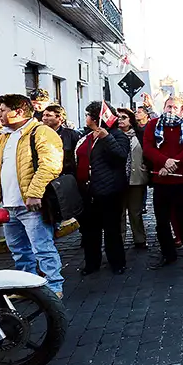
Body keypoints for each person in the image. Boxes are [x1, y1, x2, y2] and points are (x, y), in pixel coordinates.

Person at [0, 94, 65, 297]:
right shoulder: (4, 137)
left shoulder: (41, 132)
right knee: (19, 250)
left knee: (42, 247)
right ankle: (28, 288)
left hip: (31, 206)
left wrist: (34, 193)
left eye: (2, 110)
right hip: (8, 206)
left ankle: (54, 287)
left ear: (17, 112)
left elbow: (50, 165)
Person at [142, 96, 183, 270]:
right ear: (164, 107)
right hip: (162, 181)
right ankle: (168, 254)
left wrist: (173, 163)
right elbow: (148, 147)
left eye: (175, 107)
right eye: (169, 107)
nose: (171, 110)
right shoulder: (153, 124)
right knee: (162, 221)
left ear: (182, 110)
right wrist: (164, 161)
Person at [75, 101, 131, 276]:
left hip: (109, 190)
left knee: (111, 229)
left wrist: (107, 138)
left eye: (88, 115)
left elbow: (121, 157)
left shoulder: (117, 135)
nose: (86, 118)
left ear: (96, 117)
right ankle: (92, 263)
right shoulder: (86, 136)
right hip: (88, 190)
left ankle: (117, 262)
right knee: (90, 231)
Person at [115, 107, 149, 250]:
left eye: (123, 117)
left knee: (136, 211)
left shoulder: (139, 134)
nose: (120, 120)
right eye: (118, 117)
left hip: (136, 178)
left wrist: (145, 166)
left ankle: (140, 239)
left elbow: (147, 151)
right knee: (119, 212)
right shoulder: (113, 135)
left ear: (131, 120)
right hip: (117, 179)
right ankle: (119, 240)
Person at [42, 104, 81, 177]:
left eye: (48, 115)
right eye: (43, 115)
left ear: (60, 118)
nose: (44, 118)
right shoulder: (39, 134)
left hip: (65, 176)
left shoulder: (71, 135)